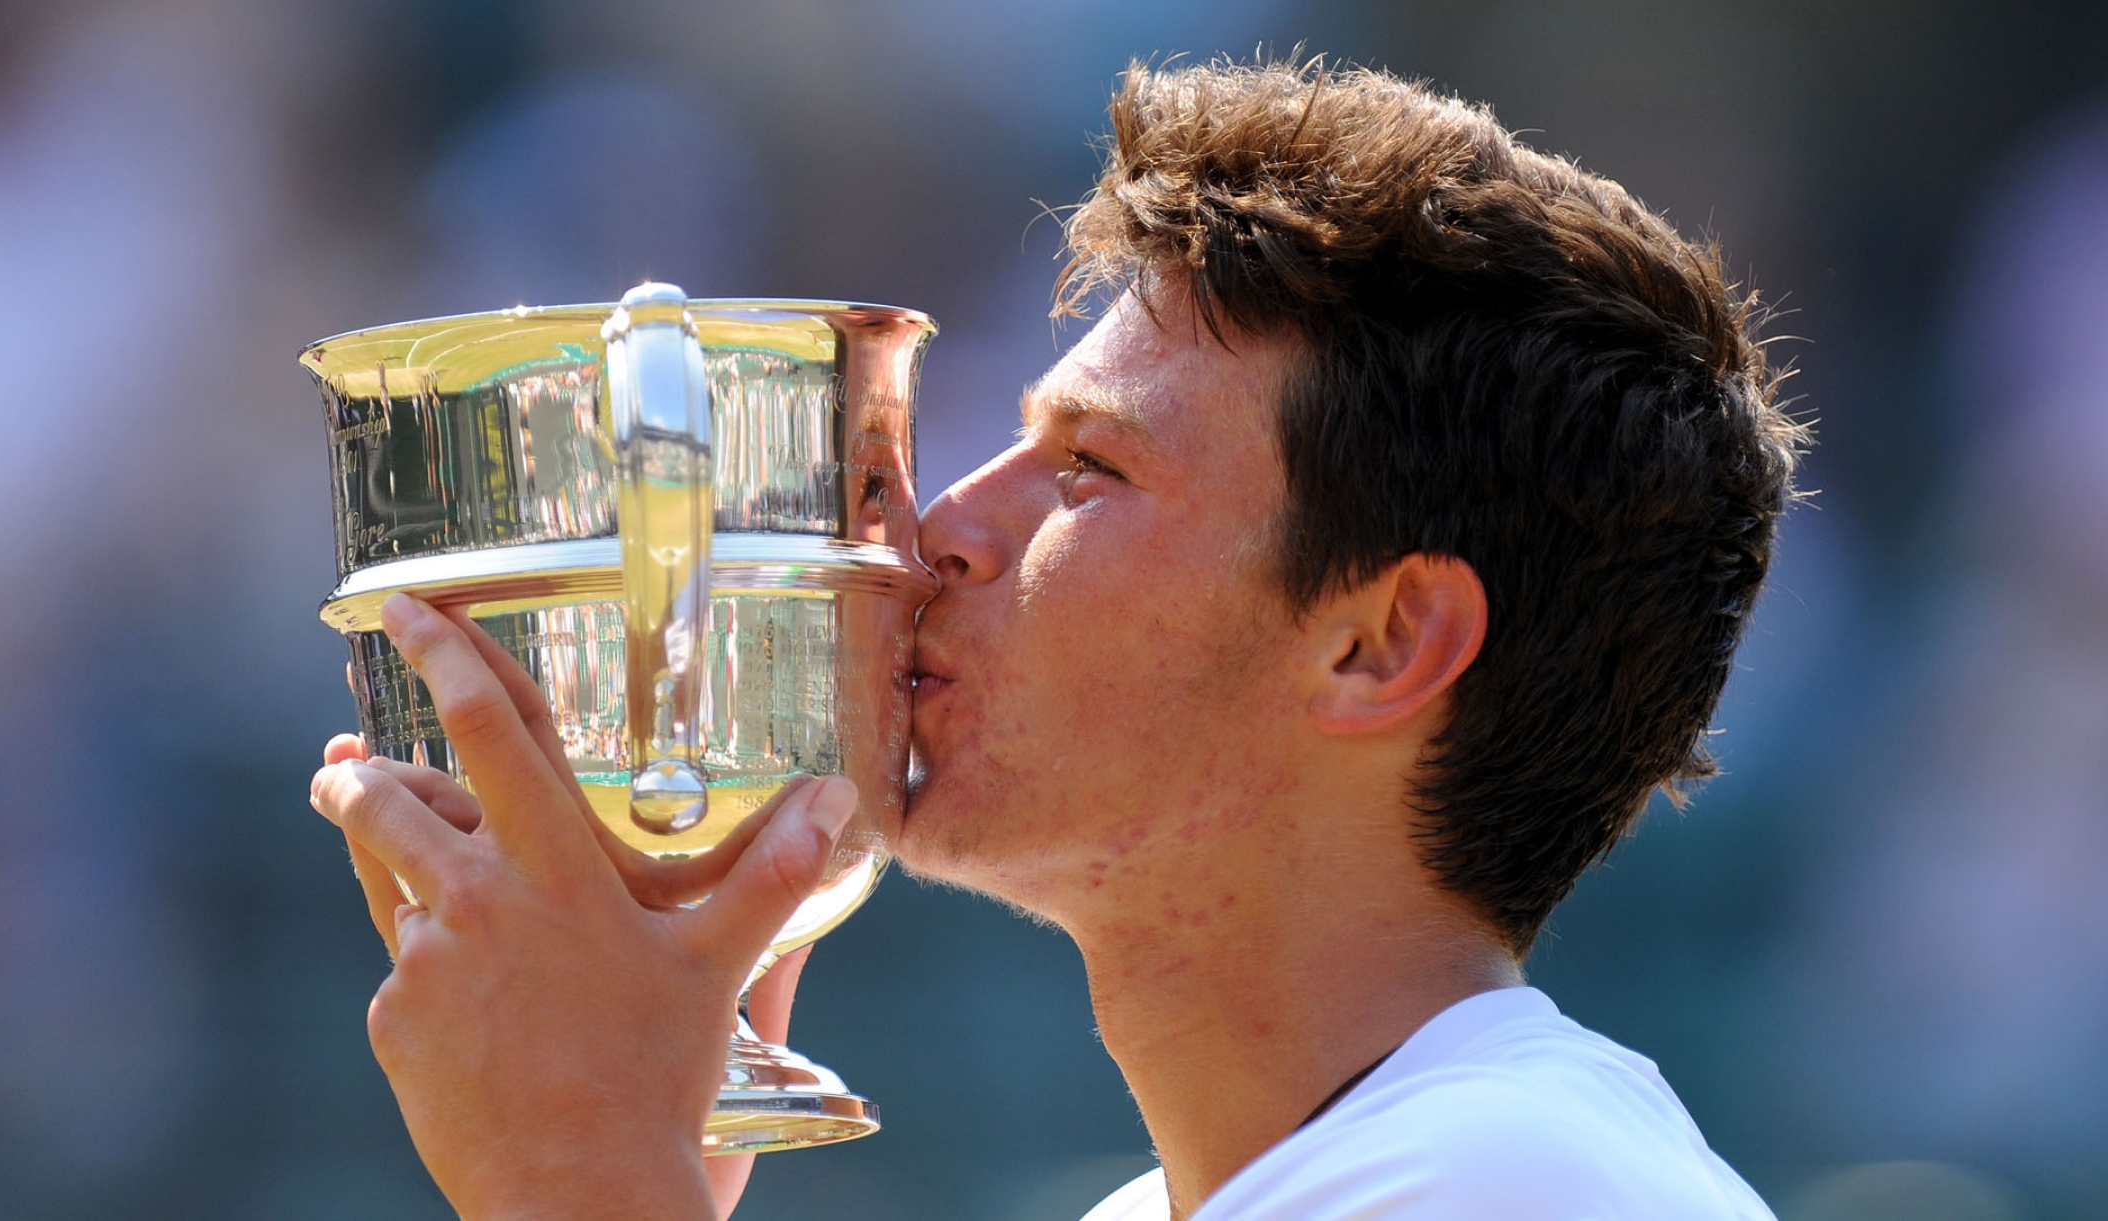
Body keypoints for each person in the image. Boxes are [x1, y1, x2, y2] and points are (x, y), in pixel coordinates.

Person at [310, 57, 1801, 1220]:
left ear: (1380, 640)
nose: (941, 525)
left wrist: (588, 1176)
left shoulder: (1515, 1185)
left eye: (1089, 469)